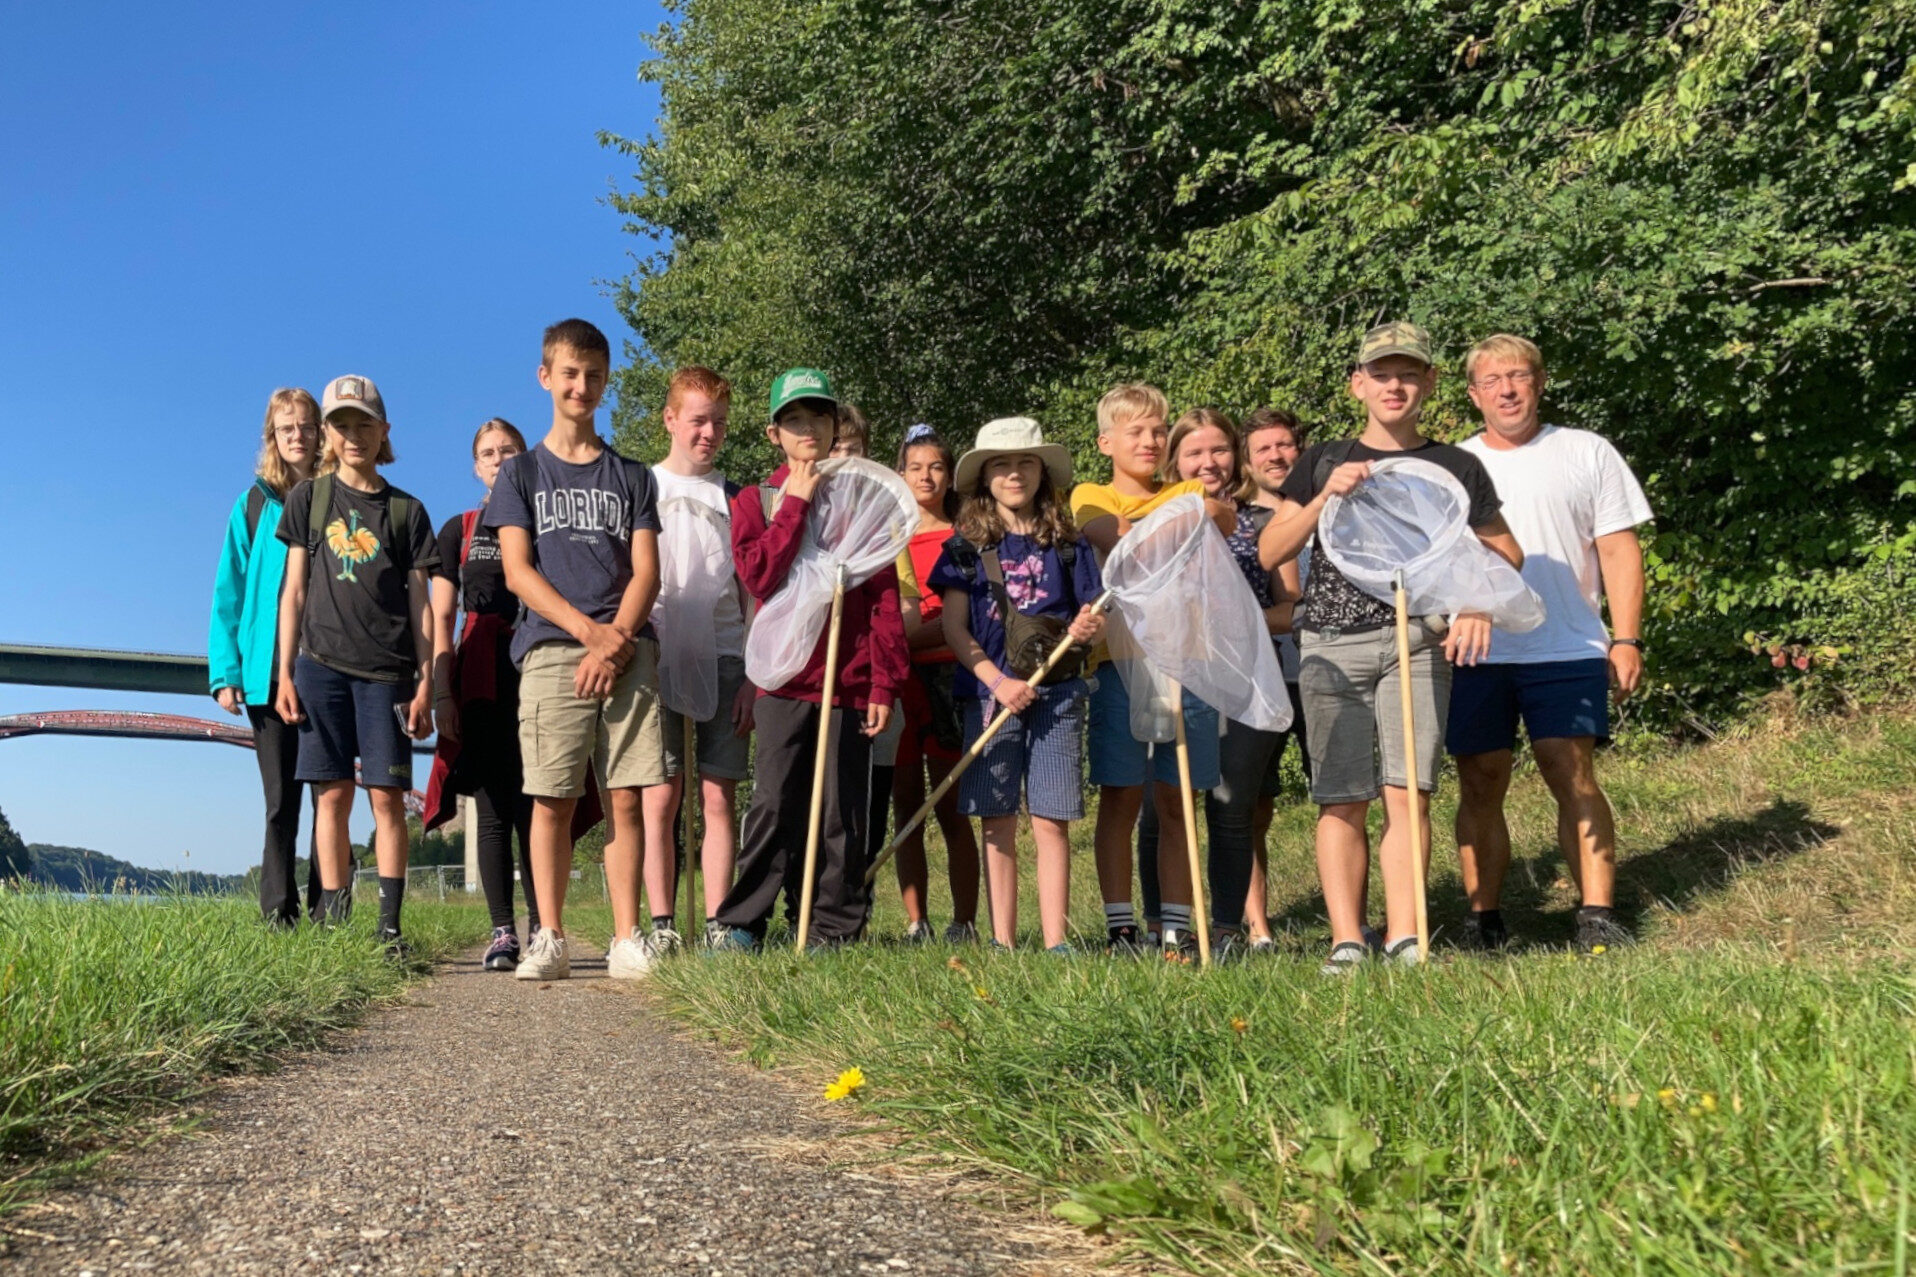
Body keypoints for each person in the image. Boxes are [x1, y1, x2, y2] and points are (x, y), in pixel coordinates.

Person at [1258, 322, 1523, 973]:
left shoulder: (1455, 466)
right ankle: (1347, 940)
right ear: (1359, 384)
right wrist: (1324, 494)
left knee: (1408, 792)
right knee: (1341, 796)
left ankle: (1406, 935)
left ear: (1430, 383)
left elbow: (1506, 551)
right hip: (1328, 643)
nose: (1395, 385)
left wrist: (1474, 603)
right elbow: (1270, 551)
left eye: (1409, 373)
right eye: (1382, 373)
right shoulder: (1321, 456)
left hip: (1415, 641)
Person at [1448, 334, 1652, 953]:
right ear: (1473, 394)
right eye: (1493, 380)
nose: (1507, 390)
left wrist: (1626, 637)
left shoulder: (1585, 451)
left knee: (1572, 771)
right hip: (1476, 648)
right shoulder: (1451, 464)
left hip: (1566, 644)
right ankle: (1484, 920)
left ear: (1539, 382)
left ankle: (1597, 914)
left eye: (1518, 376)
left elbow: (1618, 548)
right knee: (1481, 779)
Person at [487, 319, 664, 982]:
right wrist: (589, 634)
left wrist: (615, 641)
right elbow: (517, 571)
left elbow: (647, 572)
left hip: (628, 650)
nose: (580, 386)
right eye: (568, 373)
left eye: (592, 375)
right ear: (546, 376)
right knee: (552, 797)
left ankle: (626, 936)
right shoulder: (522, 474)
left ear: (606, 381)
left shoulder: (633, 475)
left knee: (625, 796)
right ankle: (550, 936)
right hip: (554, 649)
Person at [711, 368, 907, 951]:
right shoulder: (757, 499)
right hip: (783, 681)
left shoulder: (863, 505)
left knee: (843, 814)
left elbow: (883, 600)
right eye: (794, 419)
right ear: (774, 432)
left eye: (817, 418)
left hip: (847, 685)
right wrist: (794, 505)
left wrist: (883, 684)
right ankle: (744, 921)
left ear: (832, 425)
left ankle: (832, 928)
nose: (808, 429)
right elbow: (760, 576)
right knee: (773, 803)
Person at [274, 376, 440, 951]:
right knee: (332, 797)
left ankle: (390, 929)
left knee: (387, 799)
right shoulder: (308, 500)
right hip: (319, 668)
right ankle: (335, 927)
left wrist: (426, 682)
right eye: (341, 425)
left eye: (364, 423)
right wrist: (285, 673)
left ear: (384, 431)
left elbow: (422, 605)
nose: (353, 436)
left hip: (388, 675)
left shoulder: (406, 511)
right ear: (327, 433)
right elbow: (293, 590)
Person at [929, 417, 1104, 952]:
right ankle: (1003, 941)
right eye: (1001, 465)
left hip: (1059, 693)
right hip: (988, 697)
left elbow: (1090, 612)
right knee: (996, 816)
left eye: (1025, 463)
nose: (1013, 474)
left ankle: (1057, 941)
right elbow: (953, 627)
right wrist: (997, 681)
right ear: (984, 477)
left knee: (1052, 816)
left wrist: (1087, 627)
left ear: (1041, 471)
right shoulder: (964, 549)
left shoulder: (1069, 545)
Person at [1070, 383, 1233, 955]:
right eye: (1135, 432)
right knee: (1121, 795)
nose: (1150, 441)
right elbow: (1113, 542)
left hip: (1189, 658)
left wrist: (1190, 513)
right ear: (1106, 441)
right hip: (1121, 660)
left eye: (1159, 431)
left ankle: (1177, 928)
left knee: (1178, 796)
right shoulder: (1089, 493)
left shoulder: (1185, 487)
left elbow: (1220, 513)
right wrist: (1179, 522)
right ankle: (1120, 926)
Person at [1156, 408, 1293, 958]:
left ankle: (1229, 929)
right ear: (1175, 460)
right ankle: (1169, 927)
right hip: (1174, 678)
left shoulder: (1263, 519)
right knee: (1167, 807)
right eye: (1194, 452)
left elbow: (1289, 609)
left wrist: (1236, 618)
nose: (1208, 462)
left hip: (1247, 679)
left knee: (1232, 805)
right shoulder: (1156, 517)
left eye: (1218, 450)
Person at [642, 366, 755, 950]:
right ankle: (662, 925)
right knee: (661, 792)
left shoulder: (739, 498)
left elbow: (753, 593)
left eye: (718, 423)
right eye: (697, 420)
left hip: (727, 654)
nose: (708, 433)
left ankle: (719, 922)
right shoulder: (642, 487)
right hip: (656, 656)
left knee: (717, 792)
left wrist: (754, 677)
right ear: (670, 419)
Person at [425, 419, 541, 970]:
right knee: (493, 807)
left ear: (525, 457)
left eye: (507, 450)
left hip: (540, 663)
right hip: (480, 673)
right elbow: (442, 615)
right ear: (476, 465)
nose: (498, 459)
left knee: (542, 802)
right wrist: (440, 691)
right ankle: (503, 932)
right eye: (488, 453)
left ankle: (546, 926)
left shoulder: (547, 522)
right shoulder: (459, 529)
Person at [209, 387, 323, 927]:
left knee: (331, 798)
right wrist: (225, 674)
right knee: (282, 803)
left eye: (305, 425)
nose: (297, 435)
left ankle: (331, 910)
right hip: (264, 673)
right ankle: (279, 914)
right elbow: (227, 592)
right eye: (286, 428)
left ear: (320, 431)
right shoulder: (252, 505)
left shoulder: (335, 497)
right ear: (273, 438)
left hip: (326, 667)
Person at [892, 424, 981, 943]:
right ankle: (915, 921)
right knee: (906, 806)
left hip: (953, 675)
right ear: (900, 475)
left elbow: (962, 620)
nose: (926, 476)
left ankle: (963, 922)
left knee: (951, 804)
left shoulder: (965, 536)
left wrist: (924, 630)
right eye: (915, 467)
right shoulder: (888, 538)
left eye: (936, 467)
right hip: (902, 681)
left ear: (949, 476)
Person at [822, 403, 912, 902]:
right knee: (810, 794)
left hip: (870, 677)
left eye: (852, 450)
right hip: (815, 679)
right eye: (835, 448)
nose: (843, 458)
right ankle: (808, 899)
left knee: (863, 797)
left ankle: (855, 896)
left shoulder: (884, 522)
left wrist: (886, 678)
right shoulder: (803, 507)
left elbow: (895, 605)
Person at [1239, 407, 1312, 948]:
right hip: (1260, 677)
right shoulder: (1237, 522)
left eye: (1284, 444)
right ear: (1248, 458)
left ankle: (1349, 922)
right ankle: (1258, 925)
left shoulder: (1328, 509)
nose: (1276, 456)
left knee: (1342, 798)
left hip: (1327, 672)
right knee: (1251, 804)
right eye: (1263, 448)